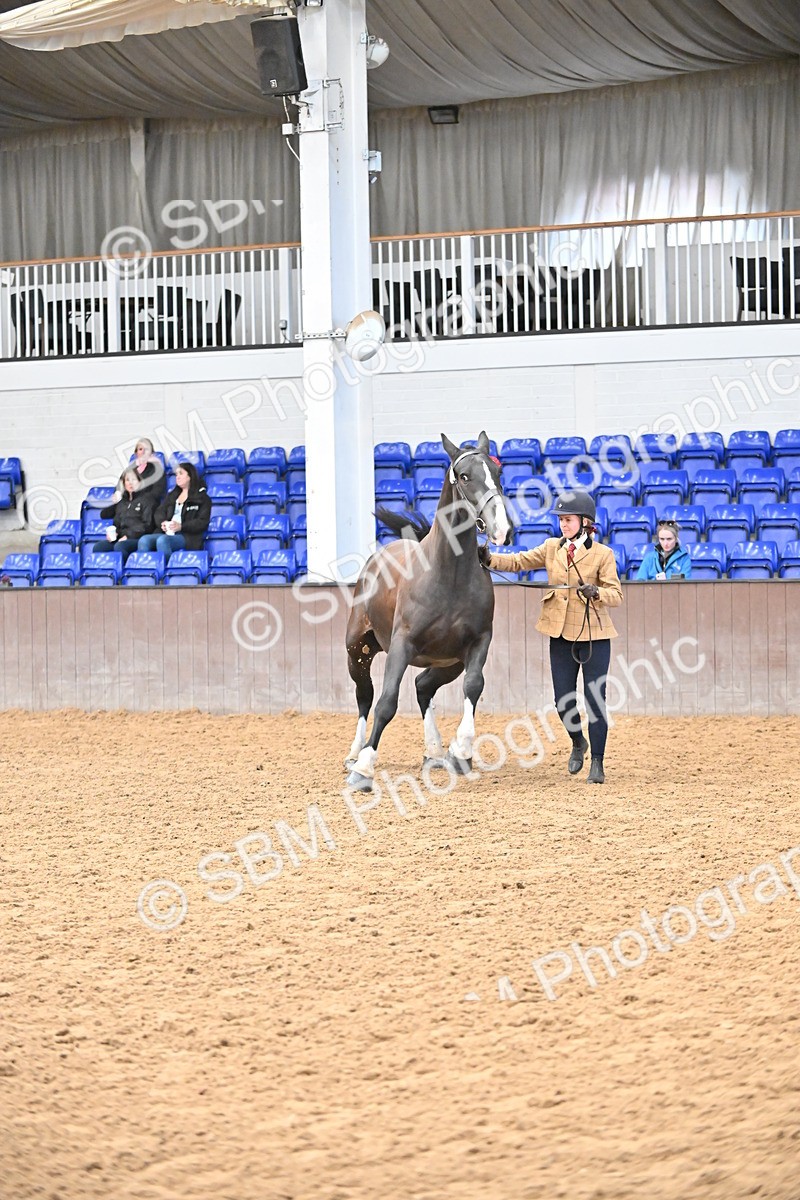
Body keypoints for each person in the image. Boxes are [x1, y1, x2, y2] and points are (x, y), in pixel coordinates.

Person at [480, 489, 623, 784]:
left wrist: (597, 592)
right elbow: (519, 562)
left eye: (568, 520)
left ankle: (597, 762)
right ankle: (578, 741)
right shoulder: (550, 548)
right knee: (562, 701)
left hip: (594, 635)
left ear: (585, 522)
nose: (563, 524)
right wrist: (490, 559)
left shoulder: (603, 554)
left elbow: (616, 595)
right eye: (561, 520)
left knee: (595, 700)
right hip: (559, 633)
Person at [137, 461, 211, 562]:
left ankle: (167, 568)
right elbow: (159, 512)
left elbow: (202, 522)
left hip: (187, 536)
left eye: (181, 474)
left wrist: (181, 526)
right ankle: (146, 569)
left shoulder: (202, 498)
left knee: (163, 541)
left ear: (190, 476)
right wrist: (162, 522)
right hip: (167, 533)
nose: (177, 477)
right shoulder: (172, 495)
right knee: (144, 540)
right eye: (176, 474)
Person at [92, 467, 157, 562]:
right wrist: (115, 533)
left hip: (137, 538)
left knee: (120, 546)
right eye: (127, 480)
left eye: (133, 479)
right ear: (123, 483)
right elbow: (109, 518)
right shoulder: (122, 502)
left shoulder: (148, 499)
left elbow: (147, 525)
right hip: (121, 538)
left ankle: (125, 569)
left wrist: (128, 536)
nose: (130, 483)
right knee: (99, 547)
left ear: (139, 482)